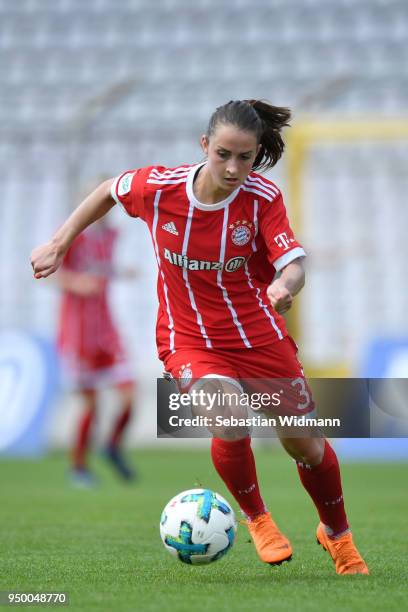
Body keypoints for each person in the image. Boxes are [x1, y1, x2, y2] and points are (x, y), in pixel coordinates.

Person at [31, 99, 368, 574]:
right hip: (189, 339)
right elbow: (109, 189)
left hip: (258, 336)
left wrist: (283, 285)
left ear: (256, 156)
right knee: (229, 419)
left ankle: (338, 536)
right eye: (224, 154)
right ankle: (258, 519)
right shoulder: (160, 189)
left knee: (304, 445)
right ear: (204, 145)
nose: (234, 168)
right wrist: (60, 242)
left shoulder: (261, 198)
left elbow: (293, 263)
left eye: (245, 157)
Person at [55, 216, 136, 486]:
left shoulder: (112, 234)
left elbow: (102, 269)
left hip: (106, 330)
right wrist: (77, 283)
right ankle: (78, 467)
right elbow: (49, 270)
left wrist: (121, 272)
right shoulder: (71, 234)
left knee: (129, 395)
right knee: (91, 405)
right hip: (79, 332)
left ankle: (111, 446)